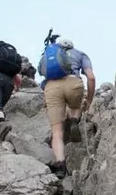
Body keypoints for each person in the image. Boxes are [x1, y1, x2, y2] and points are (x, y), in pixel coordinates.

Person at [38, 37, 95, 178]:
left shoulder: (49, 54)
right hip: (73, 83)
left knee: (57, 131)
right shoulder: (80, 54)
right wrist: (89, 99)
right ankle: (74, 119)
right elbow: (91, 77)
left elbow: (41, 72)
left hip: (52, 87)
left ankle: (60, 164)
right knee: (75, 105)